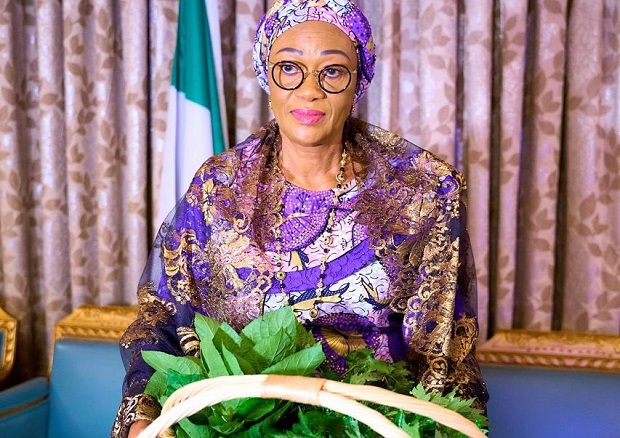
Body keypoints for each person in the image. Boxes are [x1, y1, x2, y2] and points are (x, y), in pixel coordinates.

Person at [113, 1, 488, 436]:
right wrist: (142, 415)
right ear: (265, 77)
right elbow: (160, 316)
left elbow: (444, 355)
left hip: (377, 427)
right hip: (238, 427)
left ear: (359, 82)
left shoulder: (423, 192)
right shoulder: (218, 190)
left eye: (332, 72)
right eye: (289, 68)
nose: (309, 90)